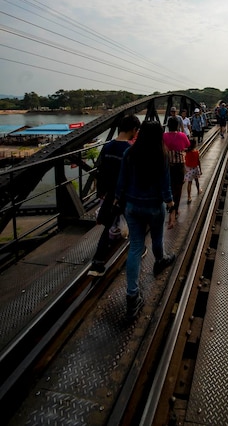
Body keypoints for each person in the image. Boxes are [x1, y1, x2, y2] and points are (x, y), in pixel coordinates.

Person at [115, 120, 176, 321]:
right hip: (154, 206)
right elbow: (165, 186)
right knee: (157, 239)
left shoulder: (129, 154)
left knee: (135, 247)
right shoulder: (162, 155)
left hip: (132, 207)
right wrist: (171, 206)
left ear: (139, 134)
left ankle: (132, 296)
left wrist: (117, 199)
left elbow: (121, 182)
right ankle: (160, 260)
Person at [88, 114, 141, 277]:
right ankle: (138, 252)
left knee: (108, 228)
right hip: (125, 194)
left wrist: (102, 194)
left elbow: (101, 172)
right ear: (133, 130)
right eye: (136, 131)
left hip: (111, 195)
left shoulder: (108, 146)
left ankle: (97, 263)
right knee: (135, 225)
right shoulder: (130, 150)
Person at [162, 116, 190, 219]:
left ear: (168, 126)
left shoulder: (163, 136)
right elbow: (187, 145)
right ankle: (176, 208)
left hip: (167, 165)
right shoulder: (182, 135)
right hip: (179, 166)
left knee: (168, 185)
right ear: (178, 126)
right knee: (178, 187)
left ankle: (168, 204)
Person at [184, 137, 202, 202]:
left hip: (189, 169)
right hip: (195, 169)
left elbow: (185, 161)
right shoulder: (196, 152)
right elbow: (198, 161)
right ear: (195, 144)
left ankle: (189, 197)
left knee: (189, 183)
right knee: (197, 181)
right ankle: (198, 190)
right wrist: (200, 169)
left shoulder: (186, 152)